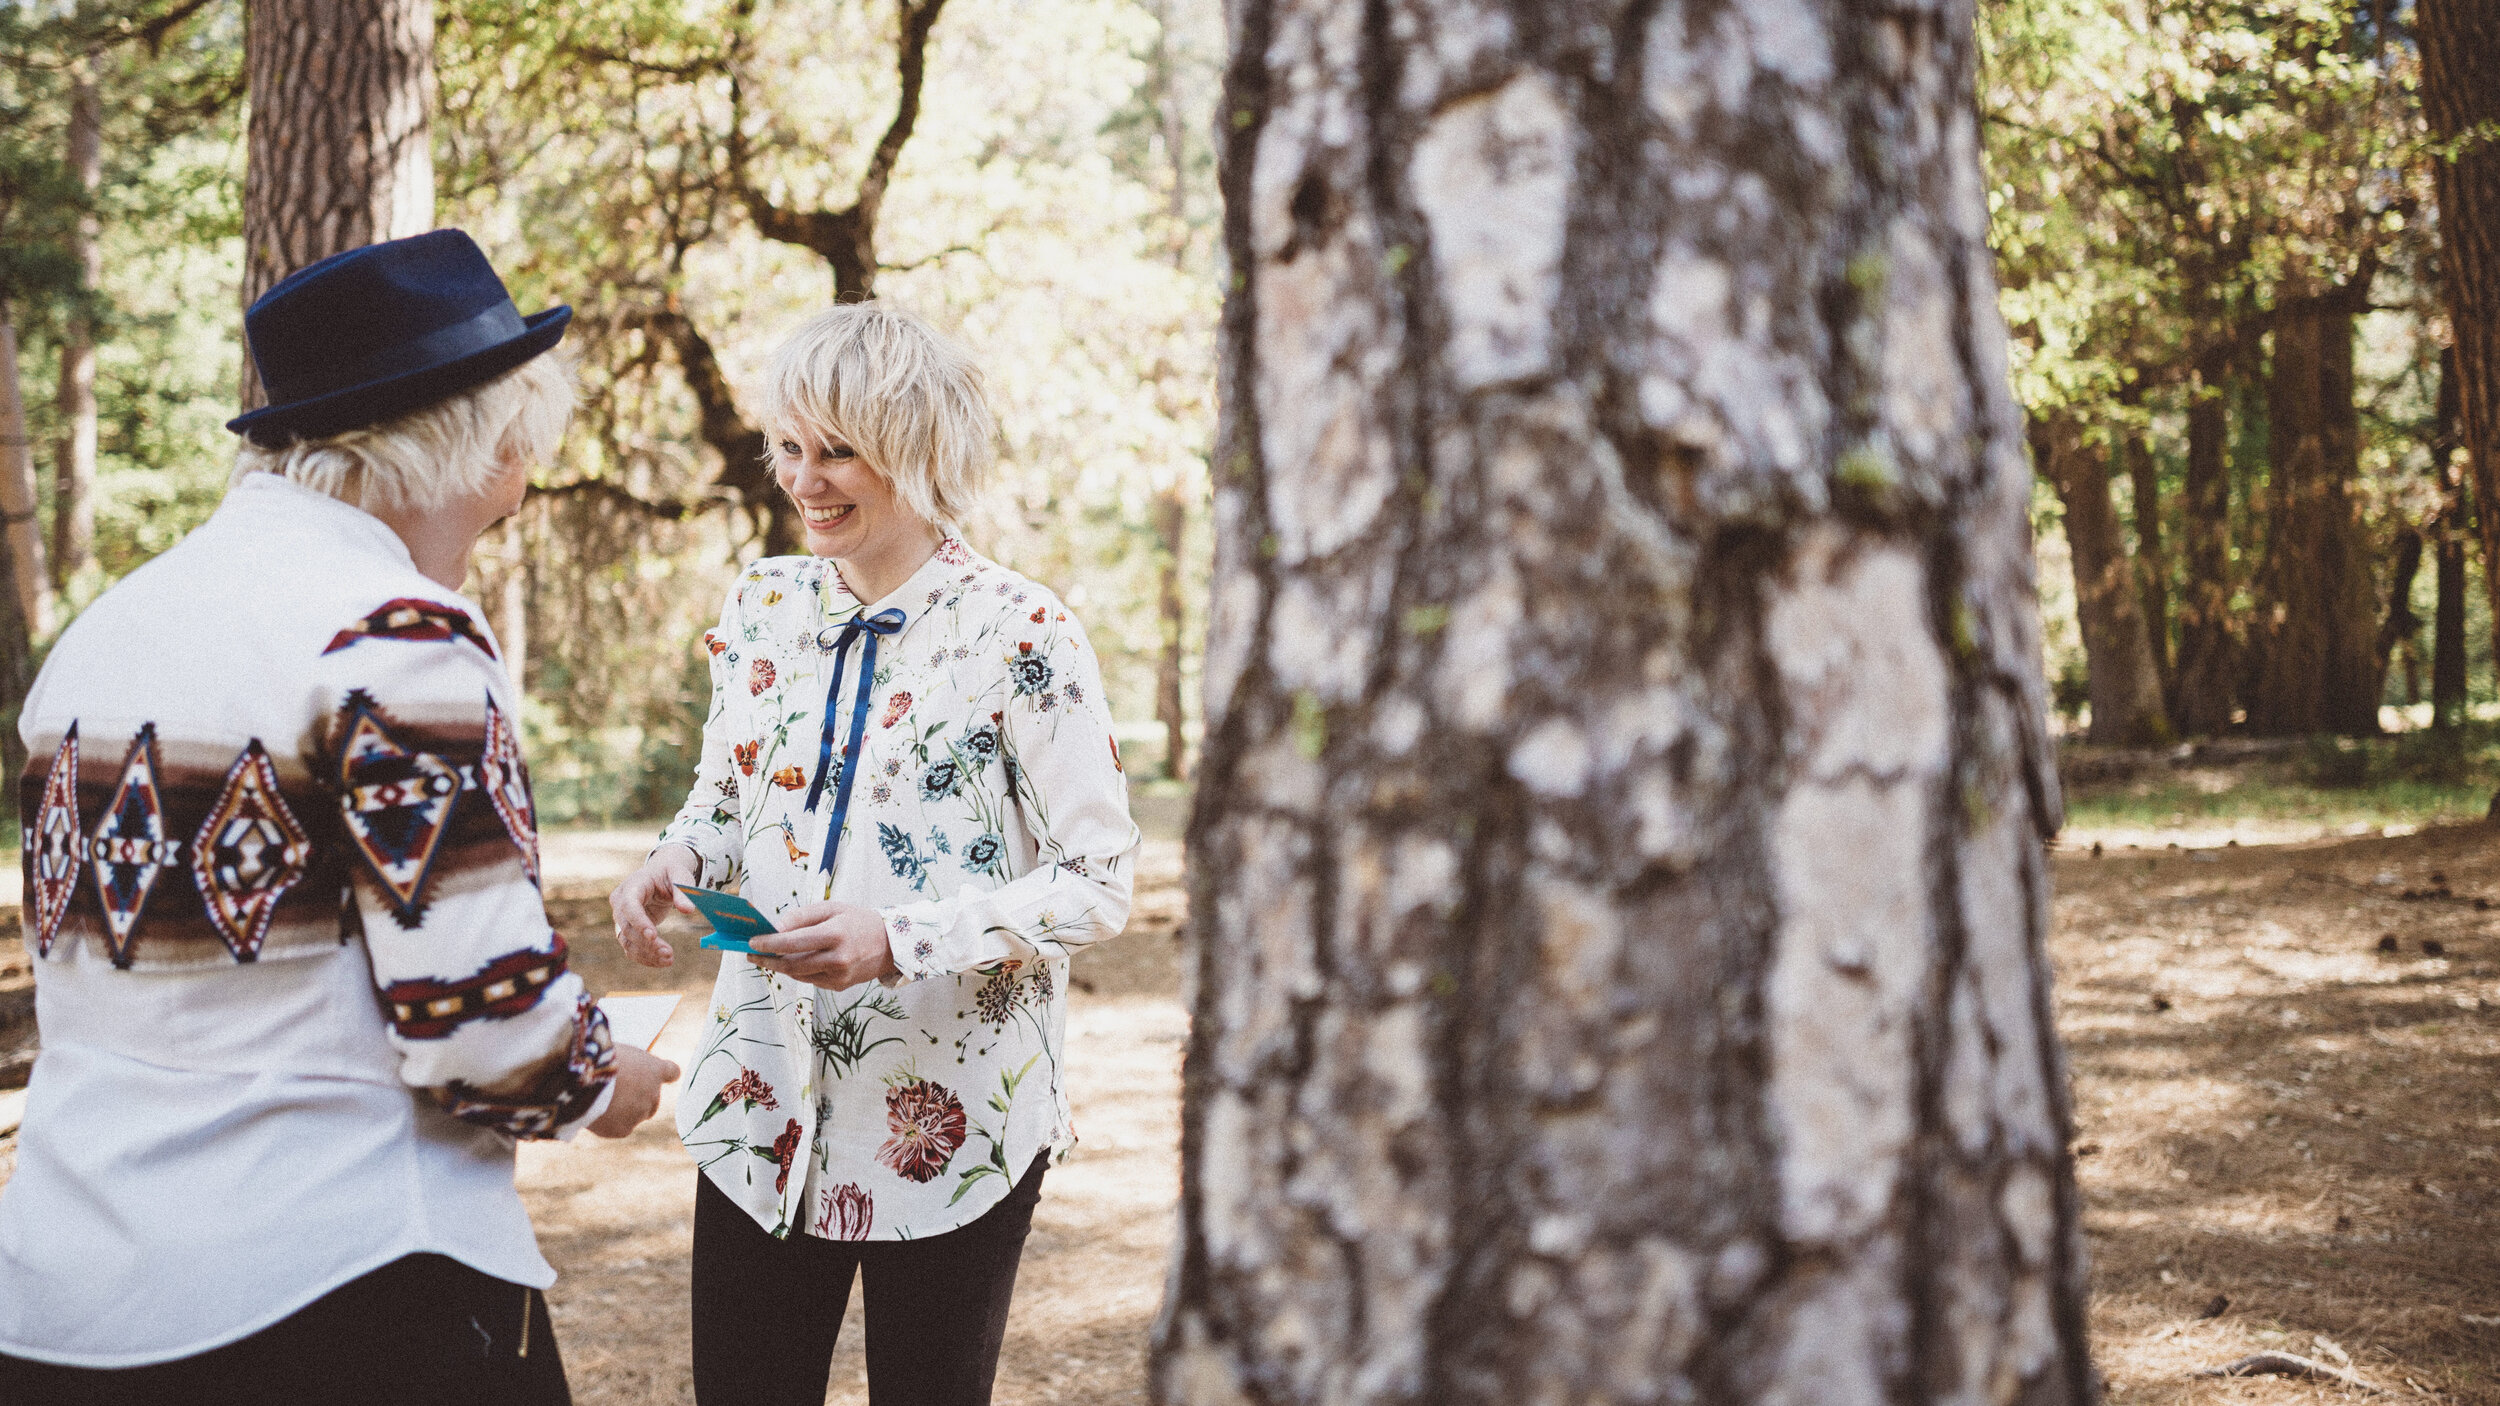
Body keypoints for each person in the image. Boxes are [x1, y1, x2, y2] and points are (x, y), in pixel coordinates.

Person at [0, 229, 678, 1405]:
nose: (521, 487)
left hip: (65, 1296)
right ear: (479, 442)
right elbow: (481, 1019)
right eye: (523, 448)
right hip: (340, 1289)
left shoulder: (108, 629)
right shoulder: (394, 635)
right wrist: (597, 1073)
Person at [610, 302, 1139, 1406]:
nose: (805, 479)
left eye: (839, 449)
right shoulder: (760, 602)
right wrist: (674, 859)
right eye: (790, 447)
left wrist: (897, 939)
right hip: (757, 1107)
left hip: (952, 1122)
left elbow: (1099, 881)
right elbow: (728, 791)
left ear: (918, 449)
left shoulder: (1023, 633)